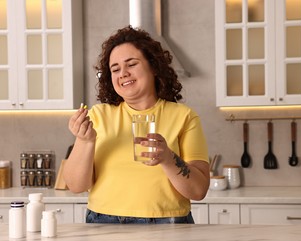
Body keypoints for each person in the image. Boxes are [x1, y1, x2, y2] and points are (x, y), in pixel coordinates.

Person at [63, 25, 210, 224]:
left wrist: (167, 157)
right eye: (115, 69)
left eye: (131, 64)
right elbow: (75, 186)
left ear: (153, 67)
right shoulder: (98, 116)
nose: (122, 73)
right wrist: (85, 140)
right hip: (104, 223)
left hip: (167, 224)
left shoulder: (184, 117)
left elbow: (199, 190)